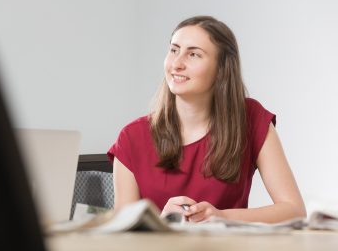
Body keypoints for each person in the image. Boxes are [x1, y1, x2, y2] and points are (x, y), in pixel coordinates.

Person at [107, 15, 306, 223]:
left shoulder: (250, 117)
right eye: (174, 50)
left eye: (193, 54)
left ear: (221, 69)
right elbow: (122, 233)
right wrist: (162, 223)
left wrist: (221, 216)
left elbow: (294, 210)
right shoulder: (132, 137)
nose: (177, 63)